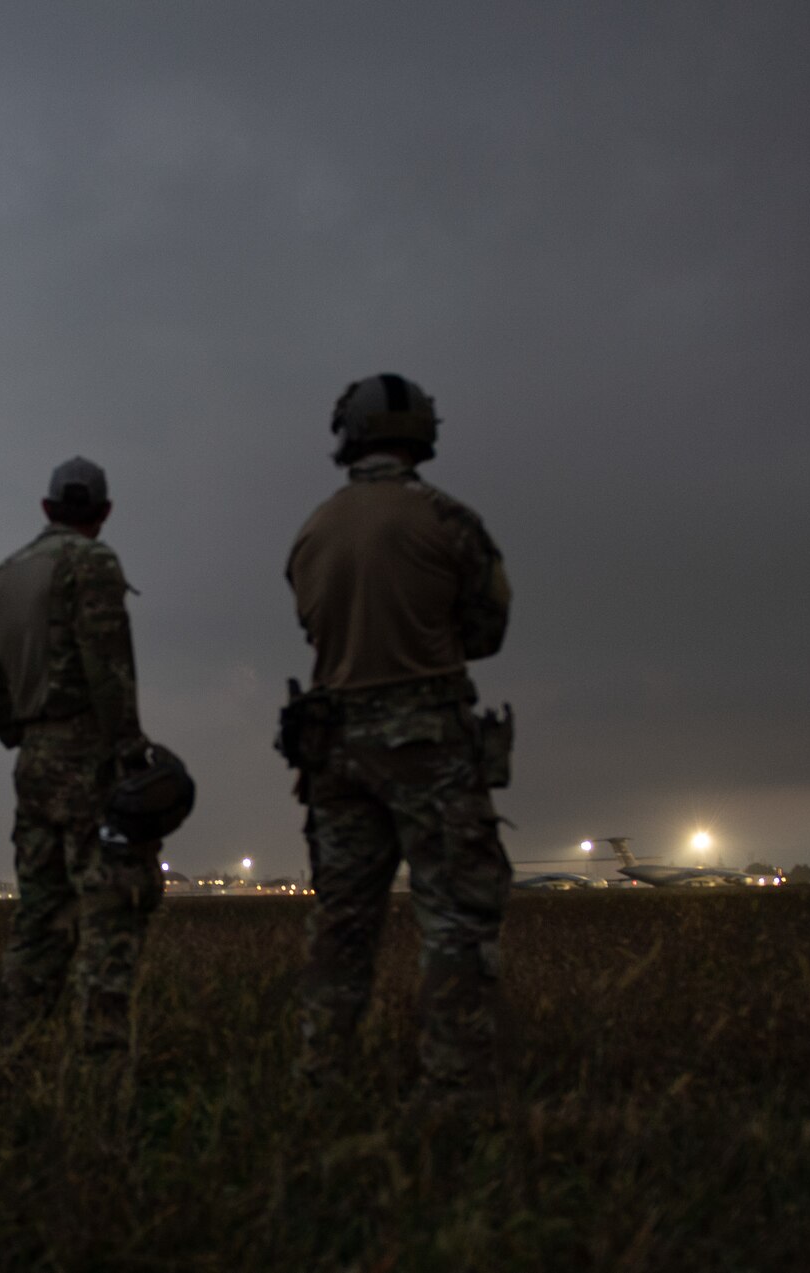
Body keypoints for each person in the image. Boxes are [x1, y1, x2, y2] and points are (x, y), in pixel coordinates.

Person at [284, 373, 513, 1094]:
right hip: (428, 744)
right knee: (453, 918)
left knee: (342, 922)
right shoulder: (450, 520)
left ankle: (323, 1076)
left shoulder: (314, 528)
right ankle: (454, 1085)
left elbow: (310, 622)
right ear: (423, 433)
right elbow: (487, 630)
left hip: (335, 744)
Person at [0, 457, 158, 1056]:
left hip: (35, 759)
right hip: (90, 753)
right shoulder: (93, 562)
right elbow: (108, 663)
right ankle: (101, 1059)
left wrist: (23, 735)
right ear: (103, 514)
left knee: (40, 913)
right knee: (111, 907)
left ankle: (14, 1049)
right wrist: (128, 749)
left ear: (47, 510)